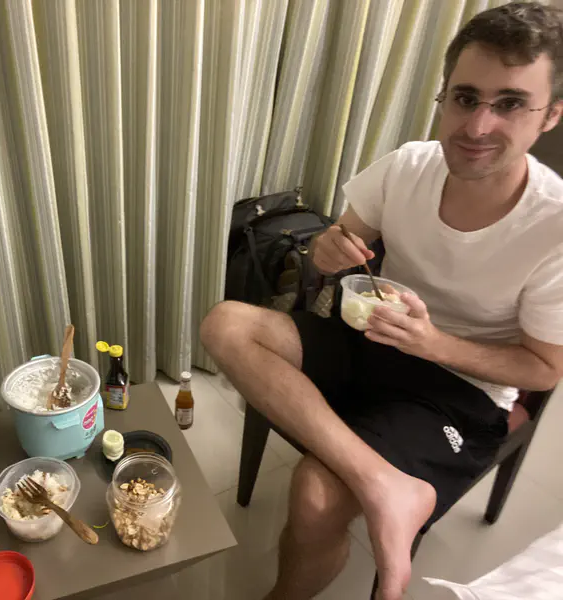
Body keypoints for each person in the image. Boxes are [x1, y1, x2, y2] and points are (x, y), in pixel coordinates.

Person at [200, 3, 563, 599]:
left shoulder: (550, 228)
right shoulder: (408, 167)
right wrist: (329, 250)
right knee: (226, 324)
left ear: (549, 115)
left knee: (316, 494)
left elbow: (545, 368)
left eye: (510, 103)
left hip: (458, 390)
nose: (476, 127)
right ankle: (381, 480)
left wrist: (434, 343)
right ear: (443, 98)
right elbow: (329, 245)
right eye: (466, 98)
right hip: (371, 338)